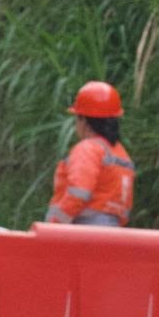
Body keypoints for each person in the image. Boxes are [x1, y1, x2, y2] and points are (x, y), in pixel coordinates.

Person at [46, 82, 135, 227]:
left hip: (83, 232)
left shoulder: (87, 149)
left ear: (84, 120)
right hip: (113, 234)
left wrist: (53, 226)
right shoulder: (121, 155)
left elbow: (78, 193)